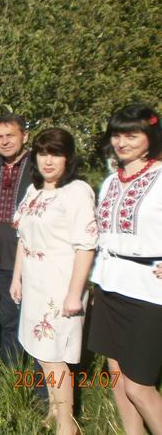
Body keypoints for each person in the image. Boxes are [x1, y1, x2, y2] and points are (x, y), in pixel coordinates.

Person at [10, 128, 97, 434]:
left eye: (56, 154)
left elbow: (86, 246)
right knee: (42, 354)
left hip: (60, 284)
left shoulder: (77, 191)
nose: (48, 161)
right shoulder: (34, 190)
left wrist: (75, 294)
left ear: (68, 158)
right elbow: (23, 238)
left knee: (54, 356)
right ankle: (53, 410)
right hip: (34, 281)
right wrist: (17, 277)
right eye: (43, 153)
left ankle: (66, 424)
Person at [87, 104, 162, 435]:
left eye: (132, 135)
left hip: (148, 289)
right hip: (109, 284)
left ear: (150, 136)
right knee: (116, 377)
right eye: (117, 135)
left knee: (139, 387)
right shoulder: (109, 182)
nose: (122, 142)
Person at [0, 113, 32, 365]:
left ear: (25, 135)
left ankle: (40, 373)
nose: (4, 141)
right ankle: (11, 370)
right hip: (1, 255)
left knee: (34, 315)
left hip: (32, 254)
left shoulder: (38, 166)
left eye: (10, 135)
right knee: (8, 315)